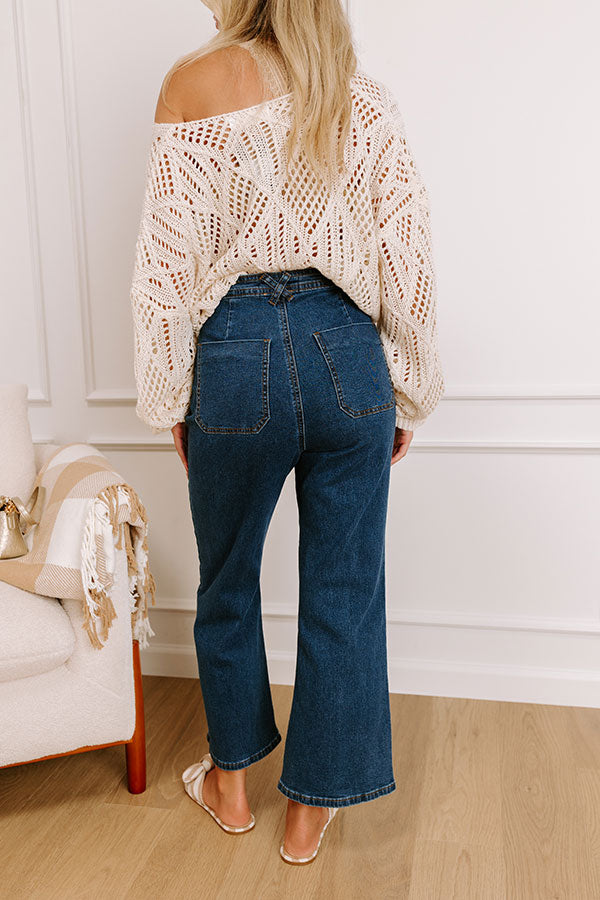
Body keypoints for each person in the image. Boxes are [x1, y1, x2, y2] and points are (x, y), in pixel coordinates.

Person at [129, 0, 444, 865]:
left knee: (226, 578)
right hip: (348, 352)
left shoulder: (190, 86)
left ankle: (231, 786)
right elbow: (408, 250)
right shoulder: (358, 93)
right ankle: (310, 810)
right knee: (345, 586)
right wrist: (407, 390)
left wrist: (172, 397)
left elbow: (165, 267)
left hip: (234, 355)